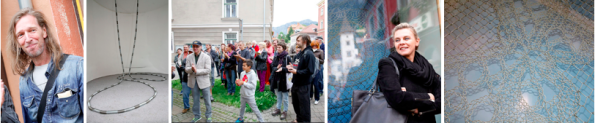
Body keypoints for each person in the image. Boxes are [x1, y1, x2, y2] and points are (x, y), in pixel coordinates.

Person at [6, 8, 84, 123]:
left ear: (44, 31)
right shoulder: (24, 82)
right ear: (18, 43)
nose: (27, 39)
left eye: (32, 30)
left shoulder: (77, 67)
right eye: (21, 35)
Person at [377, 23, 441, 122]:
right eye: (397, 40)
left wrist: (414, 103)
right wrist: (429, 96)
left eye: (406, 38)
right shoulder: (388, 65)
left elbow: (441, 101)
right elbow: (397, 98)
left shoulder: (426, 66)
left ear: (417, 41)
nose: (401, 42)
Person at [286, 34, 317, 122]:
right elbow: (297, 66)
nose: (297, 42)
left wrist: (296, 71)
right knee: (296, 104)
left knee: (304, 107)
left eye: (298, 40)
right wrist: (292, 67)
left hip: (304, 85)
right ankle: (299, 119)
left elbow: (310, 70)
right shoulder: (299, 54)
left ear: (304, 41)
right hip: (296, 83)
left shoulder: (309, 54)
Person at [185, 41, 213, 122]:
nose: (195, 48)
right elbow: (186, 69)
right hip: (193, 81)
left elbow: (208, 70)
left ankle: (209, 115)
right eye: (194, 46)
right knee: (195, 100)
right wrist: (191, 69)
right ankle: (197, 115)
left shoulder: (206, 57)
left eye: (197, 46)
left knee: (207, 100)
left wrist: (196, 71)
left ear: (201, 47)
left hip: (204, 81)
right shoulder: (189, 56)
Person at [270, 41, 292, 120]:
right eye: (277, 47)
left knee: (285, 97)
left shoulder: (287, 57)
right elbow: (272, 66)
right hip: (276, 79)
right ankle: (278, 109)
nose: (277, 48)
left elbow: (290, 69)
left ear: (283, 48)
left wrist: (282, 69)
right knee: (278, 96)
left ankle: (285, 111)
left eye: (279, 47)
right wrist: (276, 68)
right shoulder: (276, 56)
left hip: (284, 80)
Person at [176, 45, 192, 113]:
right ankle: (186, 107)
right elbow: (181, 67)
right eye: (190, 52)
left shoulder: (198, 60)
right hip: (185, 79)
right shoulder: (185, 59)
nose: (191, 54)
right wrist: (188, 69)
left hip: (194, 80)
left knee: (196, 95)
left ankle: (196, 108)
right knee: (185, 94)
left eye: (192, 52)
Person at [310, 39, 325, 105]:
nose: (314, 47)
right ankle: (310, 96)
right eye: (313, 46)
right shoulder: (310, 51)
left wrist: (318, 59)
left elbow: (322, 61)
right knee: (310, 84)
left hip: (317, 70)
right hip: (310, 69)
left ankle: (317, 98)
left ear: (318, 46)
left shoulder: (321, 51)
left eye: (315, 46)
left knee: (316, 84)